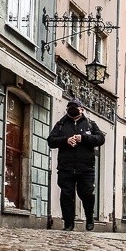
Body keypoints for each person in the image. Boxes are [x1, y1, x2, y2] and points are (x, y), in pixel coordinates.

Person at [47, 99, 105, 231]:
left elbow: (100, 139)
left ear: (82, 109)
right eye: (70, 107)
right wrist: (66, 140)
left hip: (86, 168)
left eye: (76, 107)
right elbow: (51, 141)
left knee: (87, 194)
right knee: (66, 195)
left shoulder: (90, 124)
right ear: (67, 110)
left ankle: (89, 218)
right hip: (65, 167)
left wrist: (83, 138)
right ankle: (68, 224)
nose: (72, 109)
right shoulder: (61, 124)